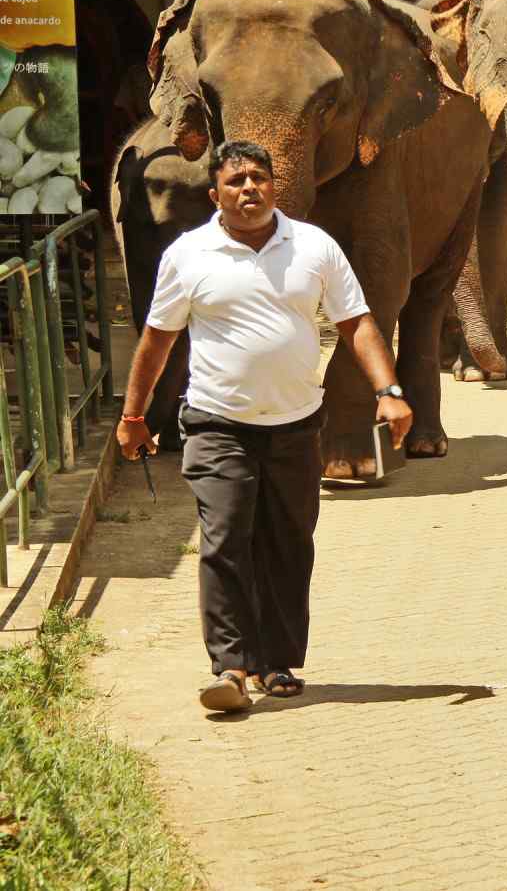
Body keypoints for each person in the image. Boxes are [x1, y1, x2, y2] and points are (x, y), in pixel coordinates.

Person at [116, 139, 413, 714]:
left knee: (288, 543)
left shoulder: (314, 247)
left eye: (258, 178)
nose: (248, 188)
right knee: (224, 537)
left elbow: (357, 323)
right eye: (236, 181)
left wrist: (390, 391)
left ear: (275, 186)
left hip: (298, 425)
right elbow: (158, 339)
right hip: (215, 421)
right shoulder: (189, 254)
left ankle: (275, 661)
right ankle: (230, 666)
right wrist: (134, 415)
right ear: (215, 194)